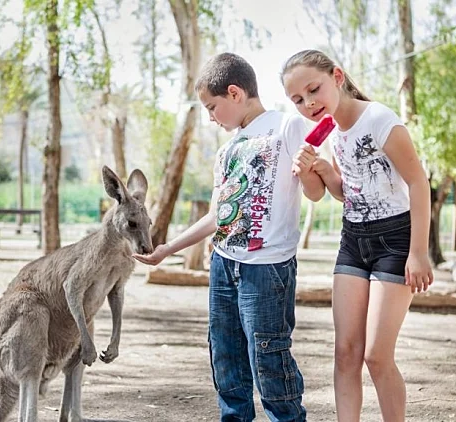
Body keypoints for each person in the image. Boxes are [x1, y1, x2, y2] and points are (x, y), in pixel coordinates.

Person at [134, 52, 322, 422]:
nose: (210, 118)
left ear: (235, 93)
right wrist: (168, 249)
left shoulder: (287, 127)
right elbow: (218, 215)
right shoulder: (227, 150)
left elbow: (314, 193)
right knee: (225, 354)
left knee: (268, 356)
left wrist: (311, 170)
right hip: (224, 265)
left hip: (266, 270)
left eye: (212, 107)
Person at [280, 49, 433, 422]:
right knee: (346, 352)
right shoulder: (331, 132)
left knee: (376, 356)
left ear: (337, 76)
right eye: (297, 99)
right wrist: (316, 170)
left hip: (395, 240)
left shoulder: (380, 119)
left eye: (313, 89)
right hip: (353, 240)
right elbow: (347, 191)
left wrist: (418, 252)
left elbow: (418, 182)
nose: (308, 103)